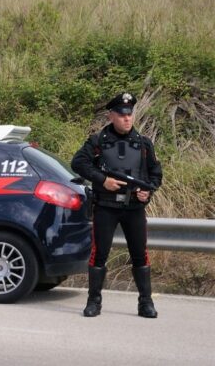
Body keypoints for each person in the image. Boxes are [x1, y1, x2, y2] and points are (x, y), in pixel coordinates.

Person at [71, 92, 163, 318]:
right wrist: (103, 180)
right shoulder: (98, 141)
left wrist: (147, 192)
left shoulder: (143, 144)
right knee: (99, 254)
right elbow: (78, 163)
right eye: (122, 115)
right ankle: (94, 302)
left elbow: (155, 173)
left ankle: (146, 303)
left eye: (129, 114)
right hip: (106, 207)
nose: (127, 118)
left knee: (140, 255)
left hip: (134, 208)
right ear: (111, 116)